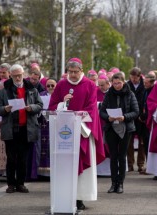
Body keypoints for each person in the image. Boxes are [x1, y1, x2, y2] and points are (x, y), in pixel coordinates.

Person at [49, 58, 105, 210]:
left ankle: (81, 198)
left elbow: (92, 107)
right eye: (70, 72)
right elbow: (52, 106)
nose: (72, 75)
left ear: (81, 71)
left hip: (83, 131)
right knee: (67, 166)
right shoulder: (61, 85)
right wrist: (63, 104)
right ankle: (66, 197)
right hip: (65, 134)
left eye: (75, 72)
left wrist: (77, 118)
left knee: (83, 165)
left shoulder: (90, 85)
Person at [0, 64, 43, 193]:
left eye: (19, 75)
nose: (17, 78)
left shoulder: (32, 89)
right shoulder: (4, 91)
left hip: (26, 129)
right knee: (11, 158)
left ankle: (20, 183)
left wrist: (31, 108)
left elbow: (40, 105)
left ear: (23, 74)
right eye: (15, 76)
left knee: (23, 158)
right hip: (10, 128)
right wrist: (4, 109)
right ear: (10, 75)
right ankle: (10, 184)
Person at [100, 72, 139, 194]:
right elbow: (101, 112)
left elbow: (136, 111)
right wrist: (108, 117)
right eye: (114, 83)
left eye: (119, 83)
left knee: (122, 156)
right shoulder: (108, 94)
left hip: (126, 127)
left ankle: (120, 183)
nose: (116, 86)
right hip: (111, 127)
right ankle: (113, 183)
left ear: (124, 82)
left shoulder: (130, 94)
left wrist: (124, 117)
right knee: (113, 156)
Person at [37, 78, 58, 177]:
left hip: (56, 123)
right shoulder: (41, 95)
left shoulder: (60, 95)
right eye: (48, 85)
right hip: (44, 124)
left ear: (56, 85)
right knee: (43, 147)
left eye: (52, 85)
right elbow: (37, 107)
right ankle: (43, 172)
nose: (50, 87)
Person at [126, 67, 146, 172]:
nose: (134, 79)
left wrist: (142, 114)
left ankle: (141, 164)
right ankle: (130, 164)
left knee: (141, 142)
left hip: (141, 118)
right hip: (130, 116)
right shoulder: (127, 85)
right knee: (129, 141)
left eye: (135, 77)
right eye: (132, 77)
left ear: (140, 76)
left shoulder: (144, 85)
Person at [139, 73, 156, 163]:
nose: (144, 84)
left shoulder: (154, 90)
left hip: (151, 121)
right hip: (144, 121)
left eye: (146, 83)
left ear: (152, 82)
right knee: (145, 143)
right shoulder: (145, 90)